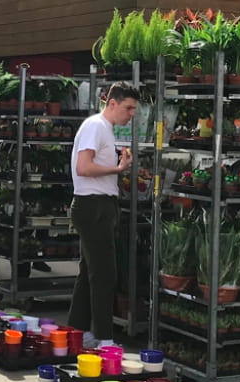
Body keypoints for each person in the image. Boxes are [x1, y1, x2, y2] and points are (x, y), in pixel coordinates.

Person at [67, 81, 139, 349]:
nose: (131, 114)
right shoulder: (96, 126)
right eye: (128, 108)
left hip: (96, 204)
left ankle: (79, 331)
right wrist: (118, 168)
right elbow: (84, 167)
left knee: (89, 272)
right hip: (93, 204)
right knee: (104, 274)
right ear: (112, 103)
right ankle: (104, 338)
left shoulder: (101, 127)